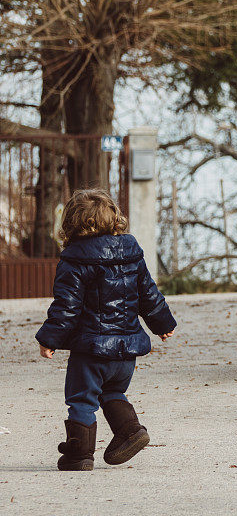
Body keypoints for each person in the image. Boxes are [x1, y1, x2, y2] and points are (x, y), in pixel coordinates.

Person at [36, 188, 177, 471]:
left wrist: (49, 338)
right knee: (112, 392)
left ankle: (79, 455)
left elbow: (66, 307)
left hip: (92, 350)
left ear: (72, 223)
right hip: (126, 351)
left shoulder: (74, 259)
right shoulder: (131, 252)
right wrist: (163, 324)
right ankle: (131, 430)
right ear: (114, 218)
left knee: (81, 398)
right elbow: (149, 293)